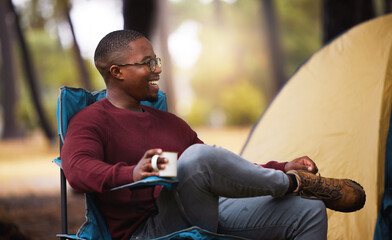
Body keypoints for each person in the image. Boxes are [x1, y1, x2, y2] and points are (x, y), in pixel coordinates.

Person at [61, 30, 365, 240]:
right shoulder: (91, 121)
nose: (157, 70)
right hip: (145, 230)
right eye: (147, 63)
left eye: (157, 62)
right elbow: (76, 170)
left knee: (309, 211)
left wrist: (280, 166)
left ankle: (292, 181)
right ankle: (292, 185)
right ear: (117, 72)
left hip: (201, 208)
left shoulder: (169, 123)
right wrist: (132, 172)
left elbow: (217, 169)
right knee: (194, 158)